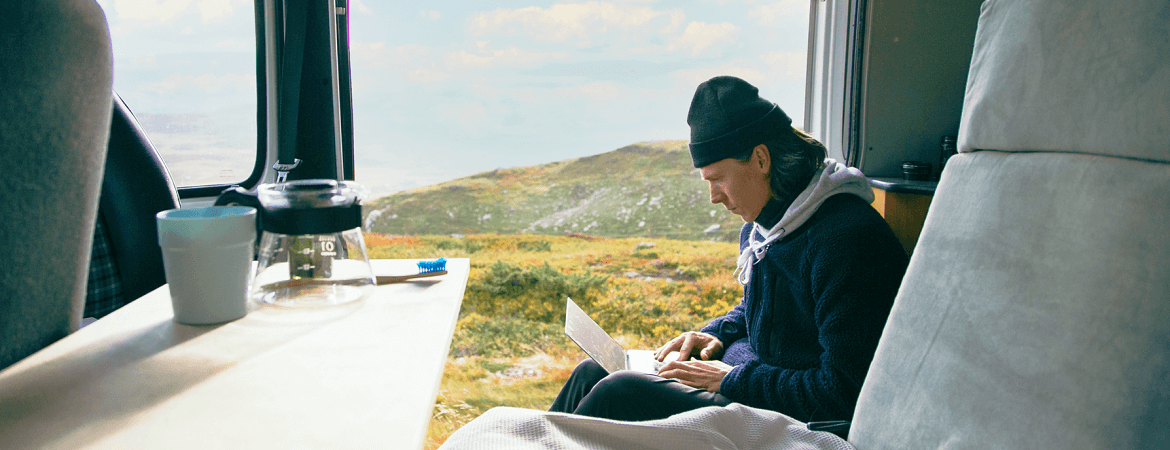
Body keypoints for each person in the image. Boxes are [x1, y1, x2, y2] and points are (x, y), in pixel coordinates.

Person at [548, 76, 908, 422]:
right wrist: (717, 334)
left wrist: (727, 380)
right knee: (590, 372)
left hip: (791, 414)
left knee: (619, 392)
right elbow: (767, 309)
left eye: (718, 179)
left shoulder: (846, 241)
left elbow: (844, 391)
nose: (713, 197)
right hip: (749, 380)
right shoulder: (765, 226)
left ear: (761, 159)